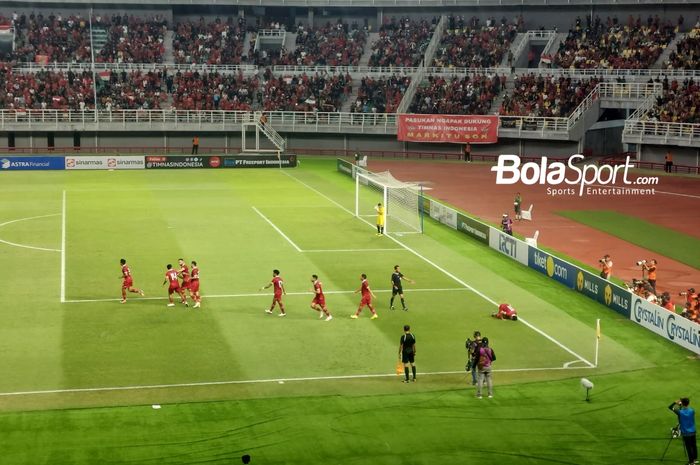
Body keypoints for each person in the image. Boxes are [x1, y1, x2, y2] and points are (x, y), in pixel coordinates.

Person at [669, 398, 697, 465]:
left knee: (689, 448)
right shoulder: (692, 411)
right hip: (693, 431)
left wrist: (675, 402)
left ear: (682, 403)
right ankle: (695, 459)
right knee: (693, 446)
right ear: (688, 403)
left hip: (686, 433)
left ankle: (691, 462)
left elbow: (670, 407)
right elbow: (685, 412)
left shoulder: (680, 412)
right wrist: (681, 405)